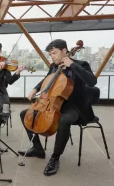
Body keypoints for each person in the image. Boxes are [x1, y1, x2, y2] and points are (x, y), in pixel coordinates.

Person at [18, 39, 97, 176]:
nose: (52, 56)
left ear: (65, 51)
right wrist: (35, 88)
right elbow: (47, 79)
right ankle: (37, 149)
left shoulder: (81, 64)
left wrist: (72, 64)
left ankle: (55, 157)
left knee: (64, 120)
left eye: (54, 53)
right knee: (25, 114)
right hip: (53, 104)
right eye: (50, 54)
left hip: (75, 107)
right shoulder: (54, 67)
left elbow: (92, 81)